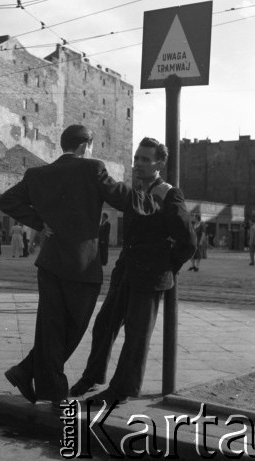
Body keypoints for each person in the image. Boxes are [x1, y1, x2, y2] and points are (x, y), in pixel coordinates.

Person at [0, 125, 163, 409]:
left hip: (49, 263)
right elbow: (122, 196)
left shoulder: (37, 174)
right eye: (91, 147)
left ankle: (32, 375)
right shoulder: (92, 168)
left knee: (51, 328)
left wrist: (39, 223)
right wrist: (156, 202)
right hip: (82, 267)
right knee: (73, 329)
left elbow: (6, 200)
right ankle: (40, 381)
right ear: (86, 146)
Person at [69, 137, 196, 406]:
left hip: (150, 276)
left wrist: (167, 267)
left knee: (136, 336)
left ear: (159, 164)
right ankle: (92, 376)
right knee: (104, 324)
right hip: (126, 271)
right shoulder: (136, 188)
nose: (138, 163)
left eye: (145, 159)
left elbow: (188, 241)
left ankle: (121, 391)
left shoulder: (169, 193)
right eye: (137, 158)